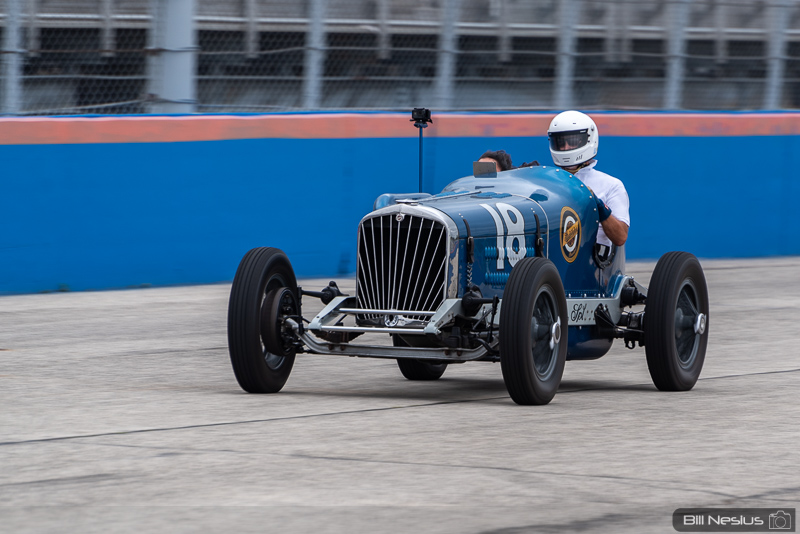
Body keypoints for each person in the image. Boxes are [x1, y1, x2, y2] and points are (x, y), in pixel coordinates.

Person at [547, 110, 630, 250]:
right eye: (560, 142)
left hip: (594, 261)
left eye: (572, 141)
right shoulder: (547, 181)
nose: (566, 147)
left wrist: (599, 206)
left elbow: (620, 237)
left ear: (589, 139)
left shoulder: (611, 185)